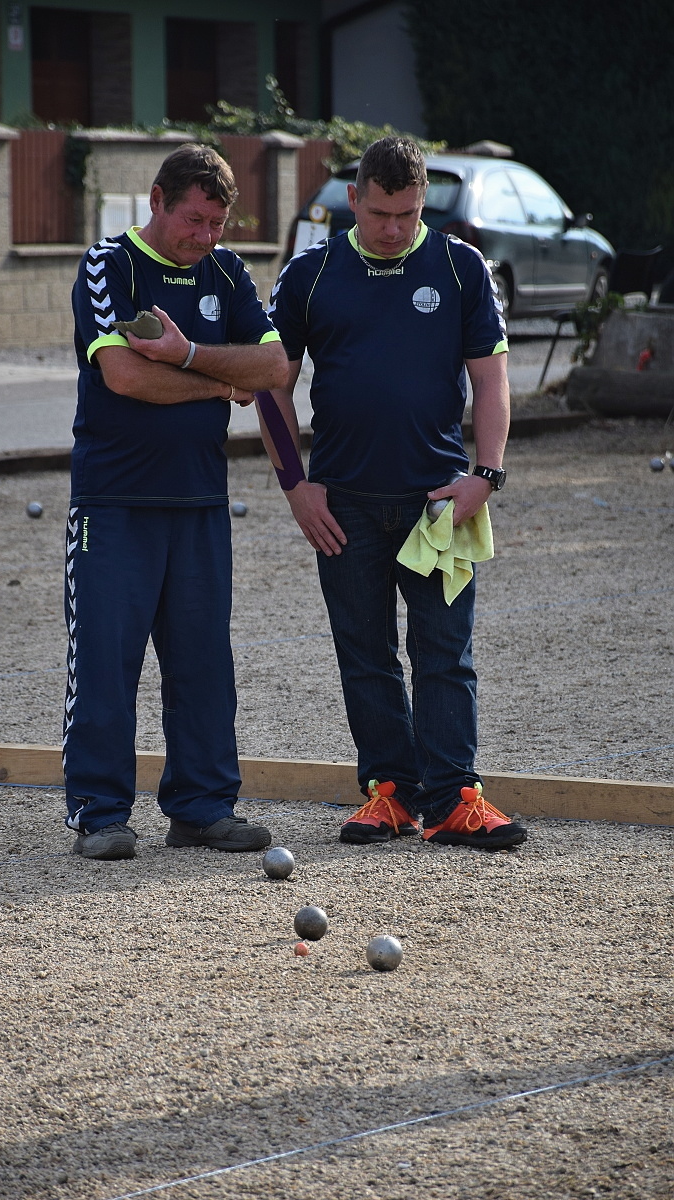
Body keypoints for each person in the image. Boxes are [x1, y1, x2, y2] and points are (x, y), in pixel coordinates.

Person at [258, 136, 527, 849]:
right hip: (341, 503)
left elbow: (492, 380)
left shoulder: (461, 266)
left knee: (445, 652)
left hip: (439, 503)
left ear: (423, 203)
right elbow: (270, 387)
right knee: (365, 653)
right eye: (380, 214)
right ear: (353, 199)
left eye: (408, 214)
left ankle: (455, 798)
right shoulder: (310, 273)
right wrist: (294, 486)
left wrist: (486, 475)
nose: (394, 228)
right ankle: (390, 793)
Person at [65, 143, 288, 859]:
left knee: (203, 665)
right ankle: (99, 814)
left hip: (199, 501)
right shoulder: (109, 265)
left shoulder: (227, 270)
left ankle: (201, 808)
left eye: (217, 223)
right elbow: (125, 376)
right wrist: (222, 383)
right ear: (157, 201)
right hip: (114, 502)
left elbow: (275, 366)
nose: (205, 236)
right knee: (106, 662)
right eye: (194, 220)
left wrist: (187, 354)